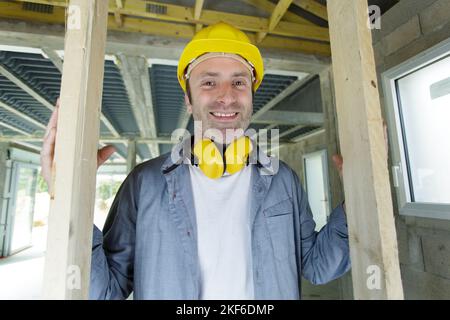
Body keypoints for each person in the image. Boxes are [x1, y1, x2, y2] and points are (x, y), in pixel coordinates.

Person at [41, 22, 350, 300]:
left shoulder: (282, 179)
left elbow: (317, 267)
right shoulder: (145, 183)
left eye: (239, 82)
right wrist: (67, 202)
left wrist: (356, 206)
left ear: (252, 95)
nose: (226, 96)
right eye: (209, 83)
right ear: (188, 99)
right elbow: (105, 291)